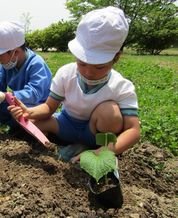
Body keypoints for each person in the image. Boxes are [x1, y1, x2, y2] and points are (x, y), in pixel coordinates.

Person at [8, 6, 141, 162]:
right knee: (28, 124)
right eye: (82, 63)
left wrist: (105, 152)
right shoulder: (66, 73)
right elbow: (49, 107)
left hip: (95, 134)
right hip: (65, 124)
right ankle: (61, 144)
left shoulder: (121, 87)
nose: (89, 72)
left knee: (109, 112)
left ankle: (92, 148)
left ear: (116, 58)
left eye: (99, 66)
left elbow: (133, 130)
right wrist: (28, 113)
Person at [0, 21, 52, 134]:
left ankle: (20, 127)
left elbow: (34, 93)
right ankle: (9, 123)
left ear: (15, 52)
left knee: (19, 114)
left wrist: (6, 96)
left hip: (34, 106)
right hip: (15, 103)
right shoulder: (7, 65)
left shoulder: (37, 64)